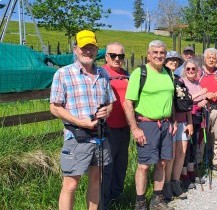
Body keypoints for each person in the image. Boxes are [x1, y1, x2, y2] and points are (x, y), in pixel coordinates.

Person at [50, 30, 115, 210]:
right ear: (76, 49)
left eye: (92, 47)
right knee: (70, 184)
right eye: (84, 47)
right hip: (77, 138)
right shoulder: (64, 74)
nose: (88, 51)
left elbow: (110, 102)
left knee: (96, 179)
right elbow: (54, 107)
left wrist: (106, 112)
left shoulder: (103, 74)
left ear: (96, 49)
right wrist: (80, 122)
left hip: (100, 137)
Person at [124, 40, 175, 210]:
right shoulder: (140, 73)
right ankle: (140, 202)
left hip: (166, 125)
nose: (159, 55)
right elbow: (128, 103)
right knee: (144, 165)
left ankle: (157, 198)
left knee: (162, 163)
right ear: (148, 55)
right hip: (146, 125)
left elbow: (171, 100)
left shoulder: (169, 73)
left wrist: (173, 120)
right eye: (155, 52)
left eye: (162, 52)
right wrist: (135, 128)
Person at [102, 42, 130, 207]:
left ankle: (116, 198)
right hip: (107, 129)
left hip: (124, 127)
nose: (117, 59)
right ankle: (103, 201)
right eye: (113, 55)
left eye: (121, 56)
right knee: (107, 167)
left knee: (121, 165)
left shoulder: (127, 75)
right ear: (106, 56)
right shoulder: (101, 74)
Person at [163, 50, 192, 200]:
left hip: (182, 121)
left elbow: (186, 102)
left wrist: (190, 122)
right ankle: (166, 184)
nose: (173, 62)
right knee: (171, 154)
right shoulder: (162, 78)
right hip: (169, 122)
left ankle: (176, 182)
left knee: (182, 152)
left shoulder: (180, 79)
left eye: (176, 60)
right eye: (170, 60)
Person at [199, 48, 217, 172]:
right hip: (204, 109)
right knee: (202, 137)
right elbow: (193, 89)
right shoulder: (199, 73)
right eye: (209, 57)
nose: (211, 59)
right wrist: (205, 95)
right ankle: (199, 161)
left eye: (214, 57)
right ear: (204, 58)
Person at [181, 59, 208, 187]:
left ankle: (191, 171)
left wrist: (203, 101)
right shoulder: (182, 83)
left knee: (194, 145)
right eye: (188, 69)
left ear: (197, 71)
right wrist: (200, 94)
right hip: (187, 118)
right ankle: (184, 174)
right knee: (185, 147)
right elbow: (184, 100)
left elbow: (202, 99)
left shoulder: (197, 83)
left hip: (197, 116)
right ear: (185, 70)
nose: (191, 71)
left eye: (193, 69)